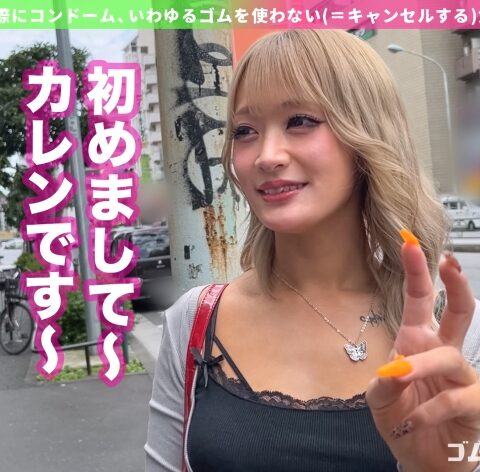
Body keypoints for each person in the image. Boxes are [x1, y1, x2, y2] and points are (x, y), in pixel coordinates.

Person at [145, 30, 480, 471]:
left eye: (300, 121)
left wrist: (444, 467)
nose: (267, 155)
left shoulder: (457, 336)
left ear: (365, 133)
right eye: (245, 131)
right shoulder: (194, 320)